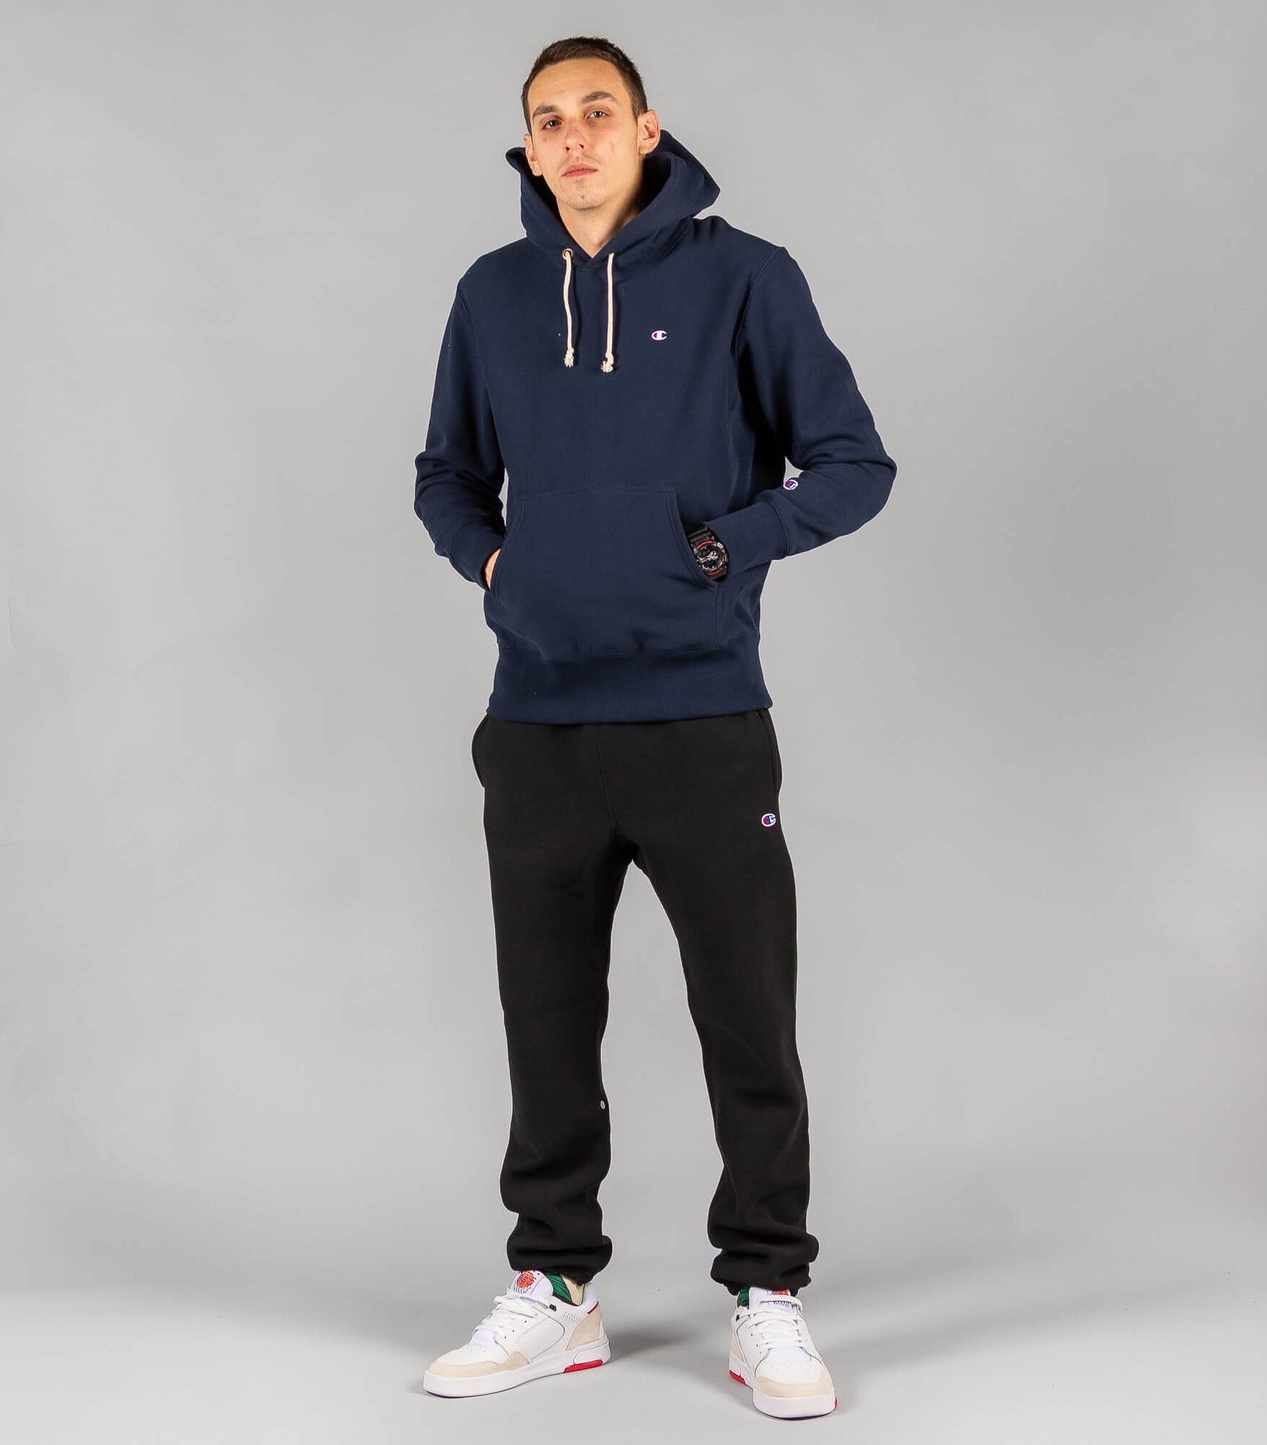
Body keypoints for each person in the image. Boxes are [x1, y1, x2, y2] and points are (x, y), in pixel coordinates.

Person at [413, 35, 896, 1419]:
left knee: (747, 1018)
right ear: (528, 145)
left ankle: (768, 1295)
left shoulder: (745, 277)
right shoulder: (493, 294)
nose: (571, 139)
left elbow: (852, 463)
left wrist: (722, 549)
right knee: (546, 1023)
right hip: (537, 722)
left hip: (702, 717)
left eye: (596, 113)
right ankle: (554, 1286)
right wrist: (497, 565)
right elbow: (445, 473)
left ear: (646, 130)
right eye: (546, 120)